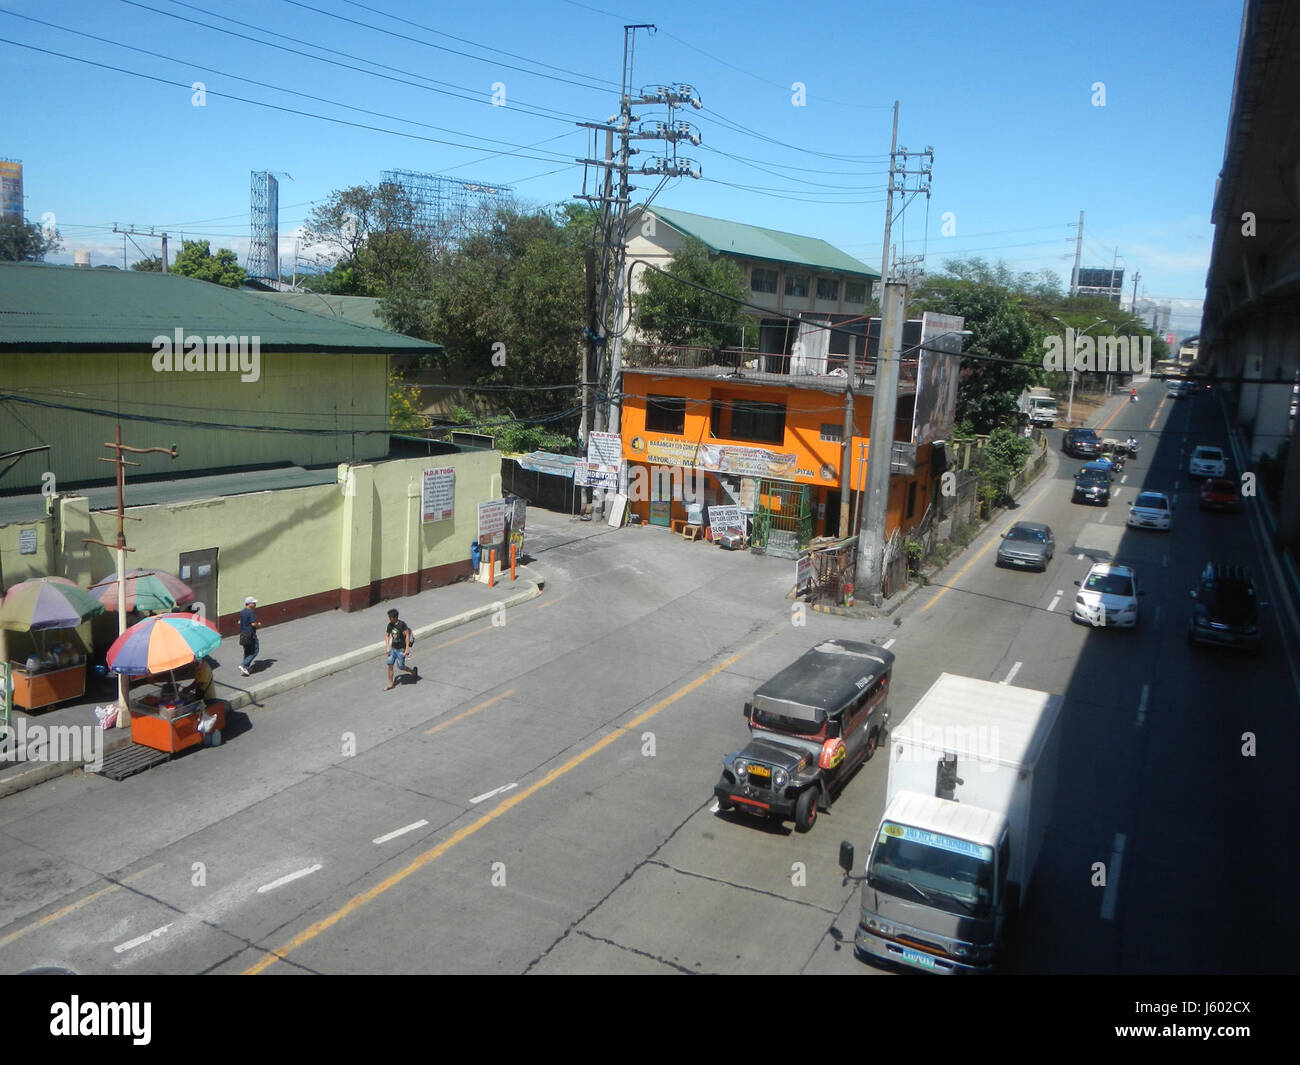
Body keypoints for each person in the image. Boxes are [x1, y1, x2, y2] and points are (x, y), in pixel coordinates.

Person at [384, 608, 418, 690]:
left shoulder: (402, 624)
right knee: (390, 665)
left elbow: (407, 636)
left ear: (395, 617)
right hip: (393, 649)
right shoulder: (390, 625)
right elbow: (387, 636)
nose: (389, 619)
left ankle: (413, 671)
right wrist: (387, 648)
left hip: (401, 650)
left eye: (390, 617)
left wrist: (407, 649)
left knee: (401, 667)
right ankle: (391, 684)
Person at [238, 596, 261, 677]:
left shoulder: (242, 612)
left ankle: (246, 669)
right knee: (255, 651)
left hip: (243, 634)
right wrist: (258, 624)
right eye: (253, 603)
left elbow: (240, 622)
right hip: (250, 634)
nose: (255, 604)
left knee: (247, 652)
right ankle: (243, 665)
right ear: (249, 604)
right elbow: (253, 624)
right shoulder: (250, 612)